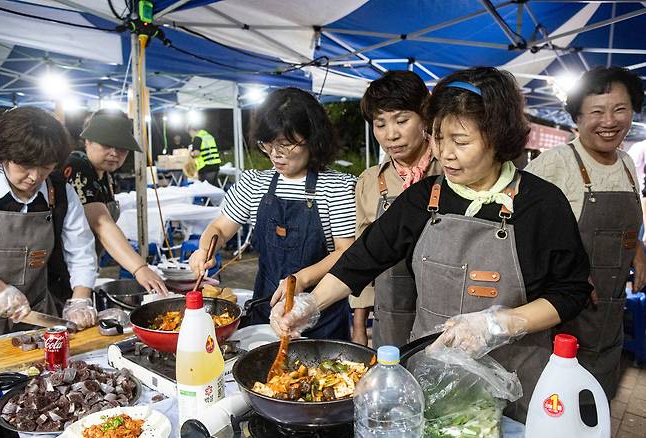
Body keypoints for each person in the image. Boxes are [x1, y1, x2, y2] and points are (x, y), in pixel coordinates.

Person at [270, 68, 592, 422]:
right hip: (432, 376)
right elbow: (363, 257)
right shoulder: (424, 197)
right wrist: (311, 303)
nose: (446, 153)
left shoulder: (542, 204)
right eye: (438, 137)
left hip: (513, 382)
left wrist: (500, 324)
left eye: (462, 141)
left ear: (499, 138)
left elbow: (571, 291)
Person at [189, 87, 356, 340]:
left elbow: (346, 252)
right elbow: (220, 229)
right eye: (268, 144)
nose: (275, 154)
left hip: (323, 318)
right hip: (266, 314)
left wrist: (300, 279)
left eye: (286, 145)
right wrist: (205, 249)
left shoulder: (338, 187)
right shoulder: (254, 183)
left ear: (312, 138)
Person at [525, 66, 645, 404]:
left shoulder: (626, 163)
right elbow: (519, 232)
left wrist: (637, 249)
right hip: (562, 319)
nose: (609, 121)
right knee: (557, 405)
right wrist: (567, 271)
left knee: (596, 405)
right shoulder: (554, 165)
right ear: (577, 117)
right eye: (596, 111)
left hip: (609, 318)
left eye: (620, 109)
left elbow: (627, 224)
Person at [0, 107, 99, 335]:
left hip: (37, 314)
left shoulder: (60, 194)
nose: (35, 177)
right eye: (25, 166)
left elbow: (81, 252)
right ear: (3, 156)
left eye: (46, 167)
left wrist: (80, 300)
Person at [350, 70, 440, 347]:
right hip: (390, 317)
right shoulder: (370, 181)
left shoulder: (450, 170)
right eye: (380, 124)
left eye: (402, 120)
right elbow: (360, 255)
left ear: (425, 116)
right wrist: (358, 326)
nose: (391, 134)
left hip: (445, 314)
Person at [63, 110, 168, 295]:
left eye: (121, 147)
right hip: (66, 270)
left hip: (84, 268)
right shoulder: (78, 167)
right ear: (87, 141)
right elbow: (101, 223)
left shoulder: (104, 174)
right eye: (106, 145)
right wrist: (139, 268)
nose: (114, 153)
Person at [189, 120, 221, 186]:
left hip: (205, 167)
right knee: (214, 189)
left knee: (206, 190)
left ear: (192, 130)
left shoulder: (197, 138)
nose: (191, 136)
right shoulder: (209, 136)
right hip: (216, 165)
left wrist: (190, 154)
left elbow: (196, 153)